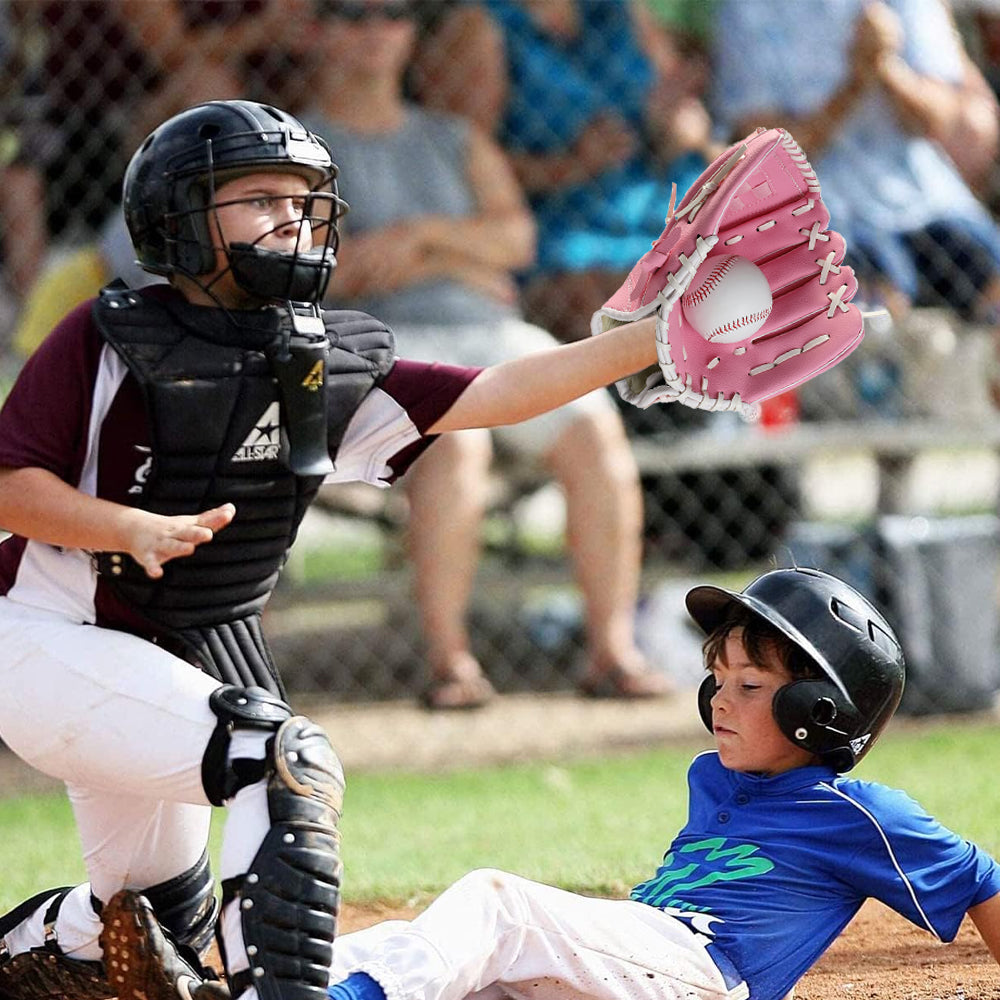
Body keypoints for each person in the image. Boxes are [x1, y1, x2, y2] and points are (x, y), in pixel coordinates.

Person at [0, 98, 673, 1000]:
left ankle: (35, 945)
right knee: (281, 758)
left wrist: (654, 339)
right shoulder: (107, 335)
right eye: (258, 196)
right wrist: (123, 526)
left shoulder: (317, 358)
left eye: (304, 195)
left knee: (153, 919)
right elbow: (10, 484)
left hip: (167, 654)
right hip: (42, 639)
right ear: (180, 219)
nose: (293, 213)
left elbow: (502, 391)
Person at [320, 568, 1000, 1000]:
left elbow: (978, 876)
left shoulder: (858, 813)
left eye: (751, 686)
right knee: (469, 971)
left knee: (498, 903)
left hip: (704, 971)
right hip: (645, 961)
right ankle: (281, 982)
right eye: (720, 682)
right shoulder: (713, 780)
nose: (720, 700)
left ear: (819, 714)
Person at [299, 0, 666, 709]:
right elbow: (319, 268)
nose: (375, 31)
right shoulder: (298, 145)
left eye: (391, 15)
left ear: (411, 32)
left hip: (489, 334)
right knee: (455, 446)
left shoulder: (452, 136)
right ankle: (451, 662)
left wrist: (420, 239)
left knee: (592, 431)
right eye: (352, 15)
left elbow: (517, 241)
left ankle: (611, 652)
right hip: (377, 342)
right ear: (318, 32)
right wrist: (460, 254)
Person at [410, 0, 721, 346]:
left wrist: (670, 127)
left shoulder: (621, 10)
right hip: (559, 234)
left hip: (655, 208)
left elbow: (676, 108)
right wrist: (571, 166)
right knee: (633, 306)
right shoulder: (480, 26)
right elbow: (452, 167)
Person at [711, 0, 1000, 334]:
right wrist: (854, 85)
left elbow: (944, 121)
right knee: (873, 311)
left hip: (924, 199)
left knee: (990, 278)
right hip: (828, 205)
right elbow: (765, 152)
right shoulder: (748, 10)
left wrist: (887, 66)